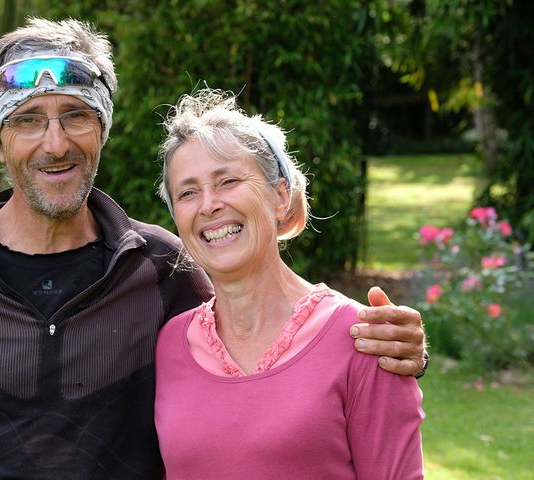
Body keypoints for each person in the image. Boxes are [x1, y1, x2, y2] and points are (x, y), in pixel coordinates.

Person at [0, 18, 425, 480]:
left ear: (103, 130)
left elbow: (255, 354)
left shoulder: (164, 267)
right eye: (28, 121)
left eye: (75, 116)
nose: (55, 143)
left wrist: (389, 356)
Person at [154, 89, 424, 479]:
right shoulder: (169, 345)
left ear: (281, 197)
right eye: (188, 192)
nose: (208, 204)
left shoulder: (364, 337)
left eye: (228, 180)